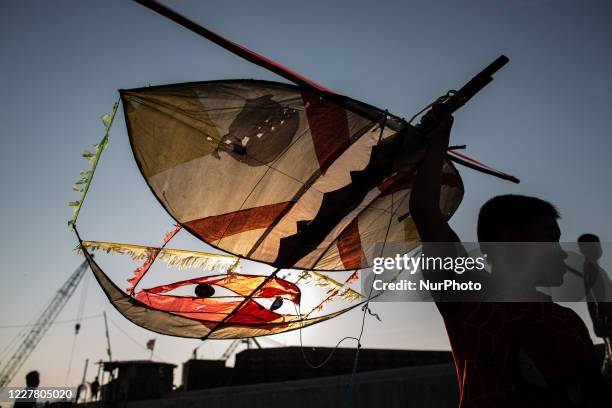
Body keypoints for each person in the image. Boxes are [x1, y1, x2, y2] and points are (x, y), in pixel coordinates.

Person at [408, 109, 610, 407]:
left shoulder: (568, 320)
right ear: (510, 242)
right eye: (549, 237)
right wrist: (437, 141)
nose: (560, 249)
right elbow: (426, 210)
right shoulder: (472, 295)